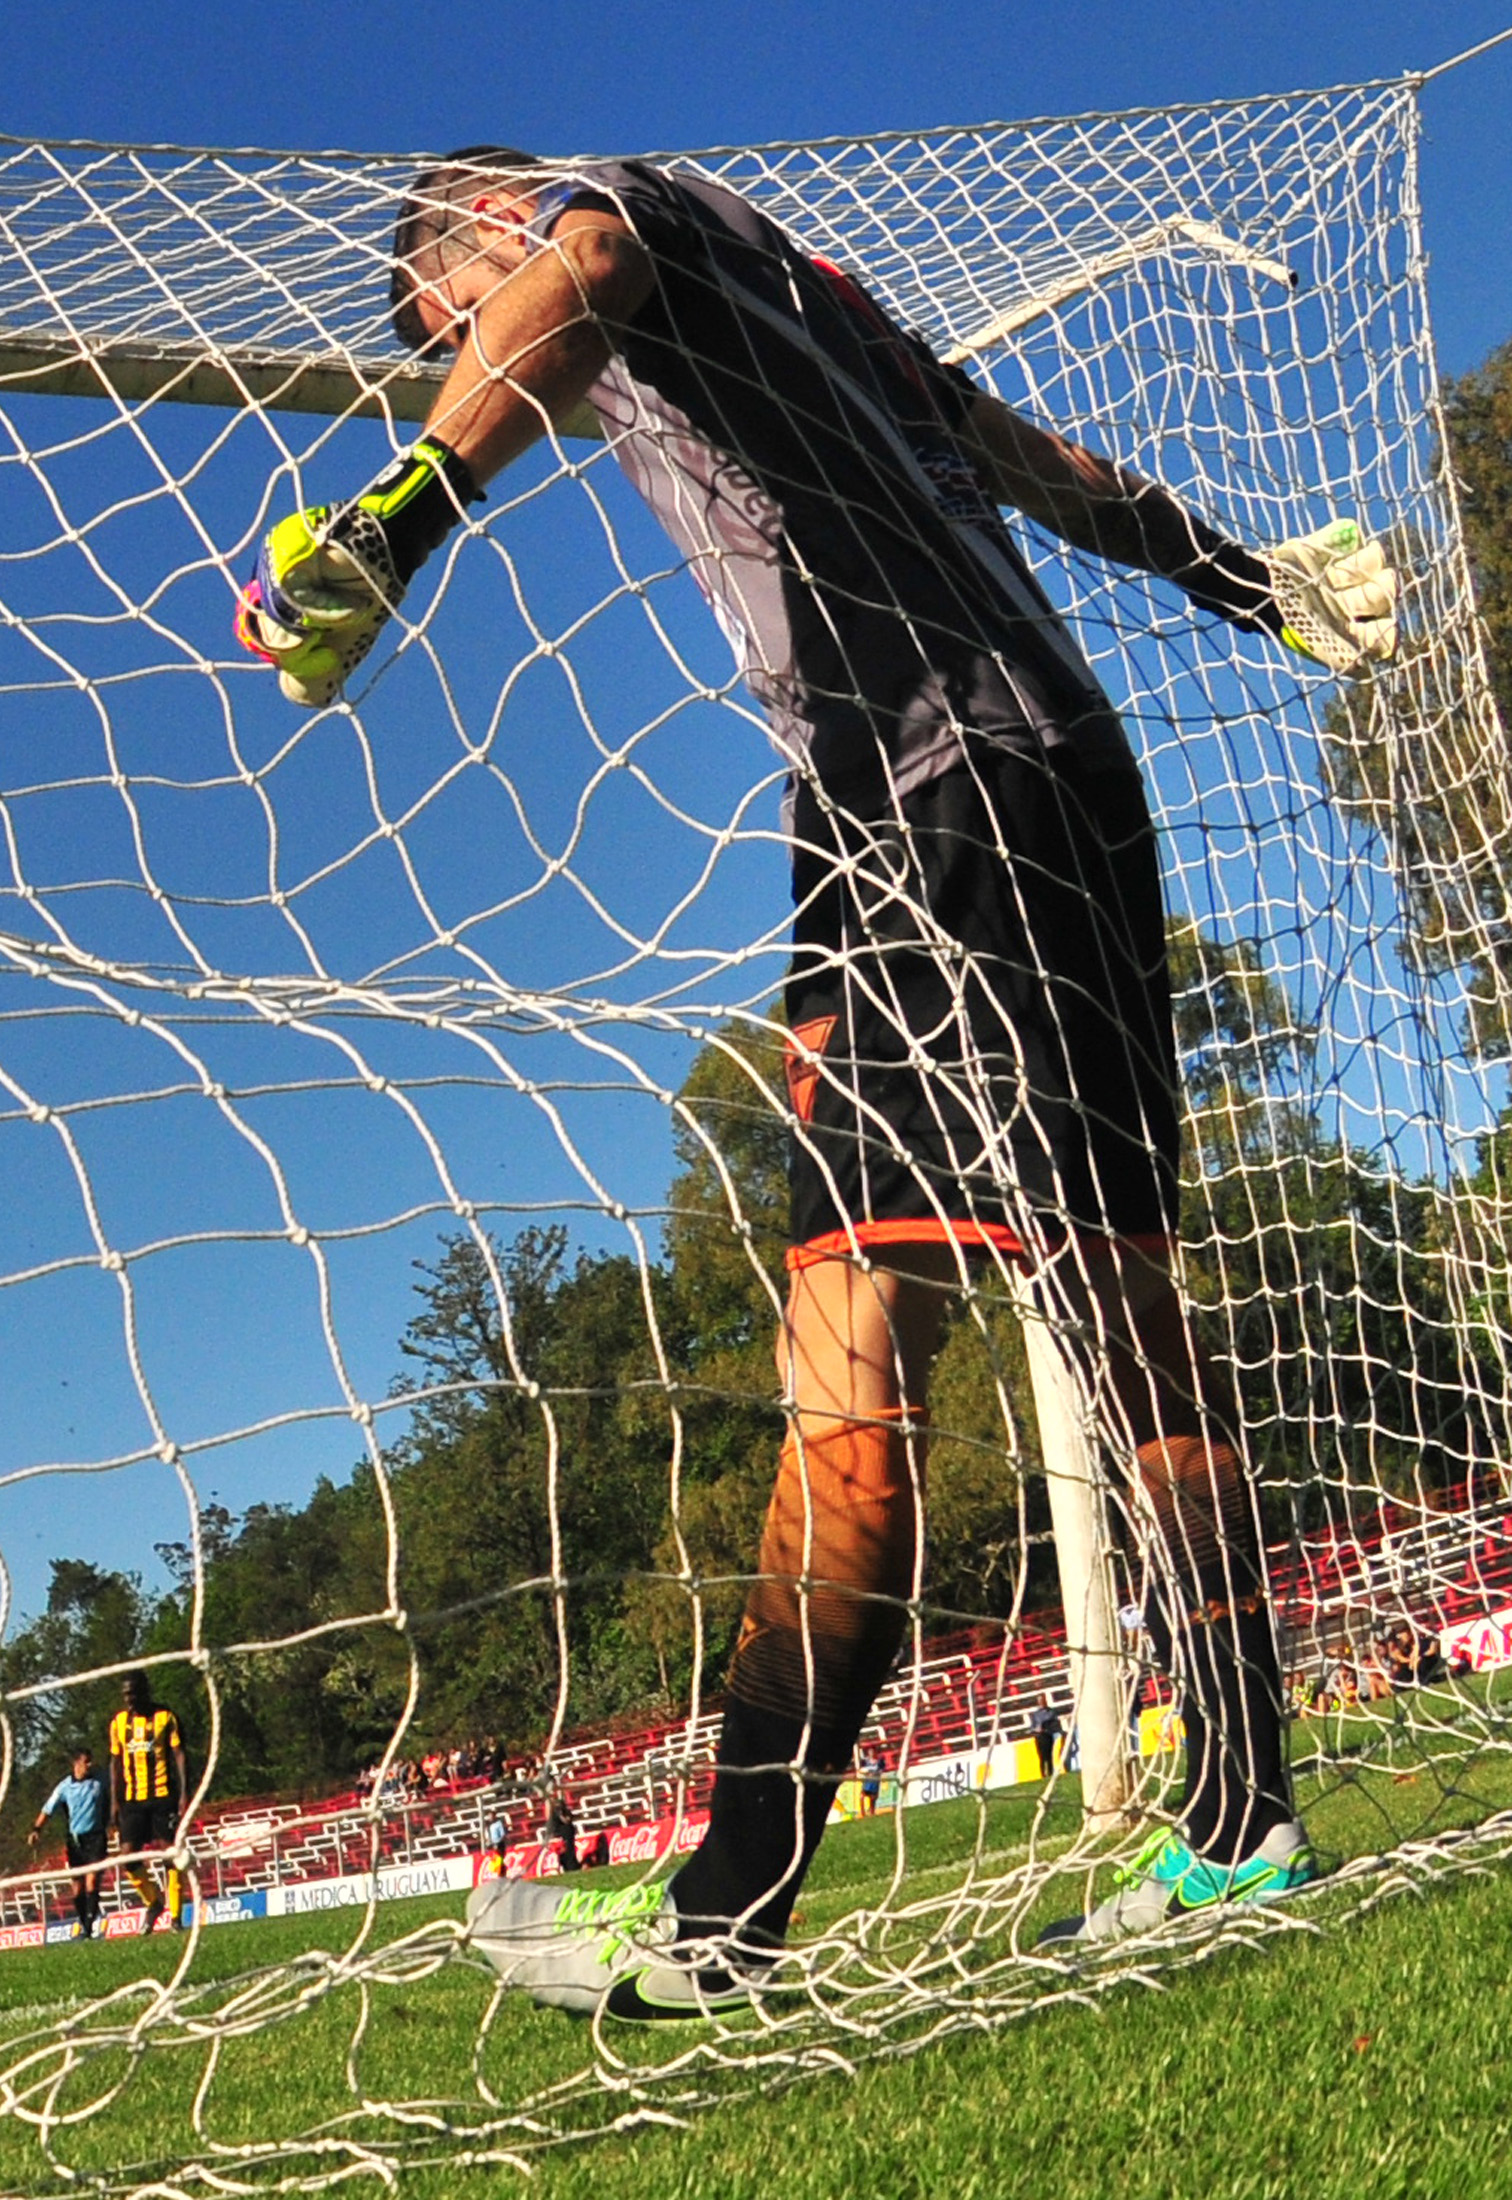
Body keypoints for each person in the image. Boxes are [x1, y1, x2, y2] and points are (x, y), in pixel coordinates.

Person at [252, 147, 1398, 2021]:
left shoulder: (604, 211)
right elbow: (1035, 461)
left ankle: (1198, 1818)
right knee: (870, 1357)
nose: (456, 350)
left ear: (474, 231)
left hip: (951, 784)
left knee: (1065, 1316)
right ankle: (744, 1904)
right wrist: (1238, 577)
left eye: (442, 320)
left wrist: (406, 503)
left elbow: (589, 258)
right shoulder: (828, 300)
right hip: (939, 812)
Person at [106, 1676, 191, 1933]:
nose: (128, 1699)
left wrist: (184, 1793)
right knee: (127, 1857)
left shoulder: (165, 1717)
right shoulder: (119, 1723)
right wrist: (114, 1801)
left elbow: (179, 1754)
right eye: (125, 1695)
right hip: (132, 1799)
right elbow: (115, 1763)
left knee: (170, 1853)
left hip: (162, 1795)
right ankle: (153, 1901)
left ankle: (176, 1916)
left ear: (144, 1691)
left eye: (132, 1693)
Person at [32, 1749, 110, 1940]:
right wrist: (36, 1829)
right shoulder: (64, 1787)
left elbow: (115, 1795)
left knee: (92, 1881)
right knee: (77, 1886)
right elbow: (47, 1809)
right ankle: (84, 1922)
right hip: (76, 1840)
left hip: (96, 1837)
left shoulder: (101, 1781)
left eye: (91, 1762)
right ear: (76, 1764)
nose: (90, 1765)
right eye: (86, 1762)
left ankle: (90, 1925)